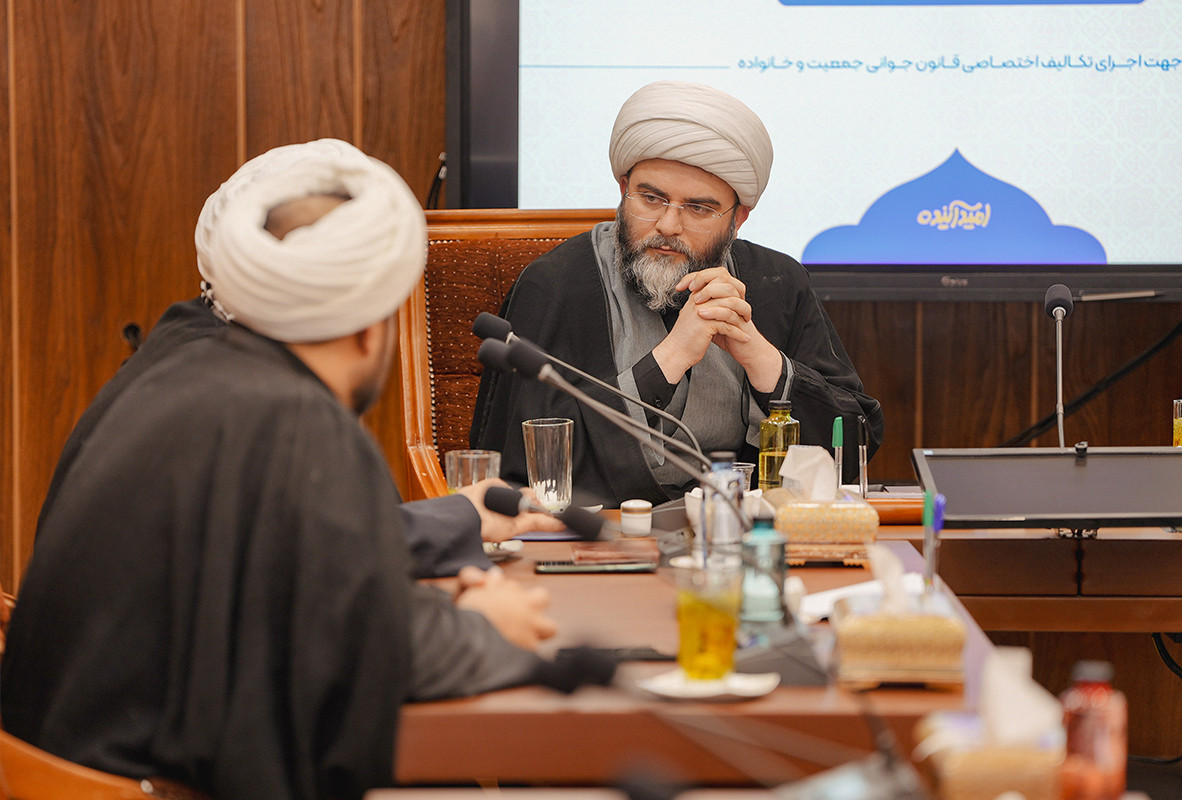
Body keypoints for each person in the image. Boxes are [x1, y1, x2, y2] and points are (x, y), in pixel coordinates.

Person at [1, 139, 559, 800]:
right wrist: (485, 628)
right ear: (370, 328)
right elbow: (353, 654)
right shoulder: (294, 416)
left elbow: (302, 589)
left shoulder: (181, 362)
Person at [35, 142, 562, 578]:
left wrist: (458, 516)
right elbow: (341, 611)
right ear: (365, 326)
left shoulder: (188, 354)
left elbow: (311, 545)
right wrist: (486, 624)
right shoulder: (280, 412)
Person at [471, 81, 884, 507]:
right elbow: (522, 465)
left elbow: (852, 446)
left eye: (699, 208)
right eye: (651, 199)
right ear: (623, 190)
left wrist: (760, 358)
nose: (668, 225)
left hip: (747, 529)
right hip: (605, 532)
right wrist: (670, 358)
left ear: (738, 219)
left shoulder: (777, 281)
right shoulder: (557, 284)